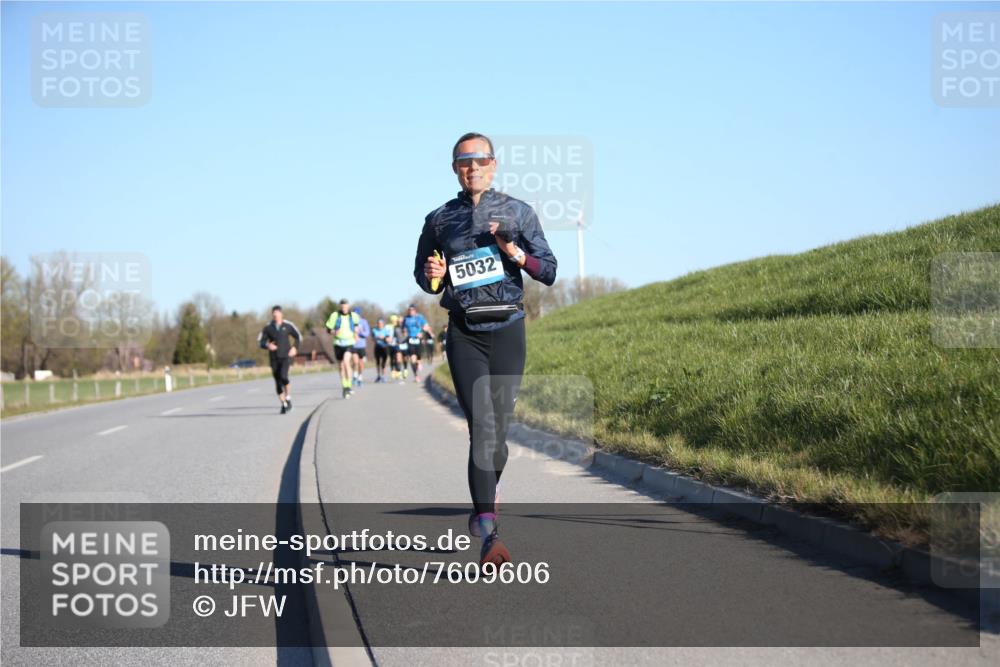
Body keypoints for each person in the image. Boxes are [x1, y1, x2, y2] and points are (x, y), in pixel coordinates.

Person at [414, 132, 557, 568]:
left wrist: (515, 254)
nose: (472, 167)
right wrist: (434, 273)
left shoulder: (518, 211)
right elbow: (426, 279)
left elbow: (548, 271)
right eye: (463, 161)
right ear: (455, 168)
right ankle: (489, 530)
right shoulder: (439, 219)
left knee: (498, 440)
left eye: (480, 160)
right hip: (464, 333)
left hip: (509, 331)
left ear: (494, 165)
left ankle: (485, 503)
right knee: (483, 429)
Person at [257, 305, 301, 414]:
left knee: (284, 377)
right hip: (274, 358)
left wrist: (295, 347)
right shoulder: (268, 328)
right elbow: (260, 342)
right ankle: (284, 404)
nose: (275, 316)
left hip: (285, 357)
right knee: (277, 383)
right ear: (272, 315)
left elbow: (298, 337)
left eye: (277, 314)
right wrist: (267, 345)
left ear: (281, 314)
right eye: (274, 315)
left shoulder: (288, 325)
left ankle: (288, 397)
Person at [325, 298, 360, 399]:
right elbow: (328, 329)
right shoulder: (334, 315)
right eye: (342, 306)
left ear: (348, 306)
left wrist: (356, 334)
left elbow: (356, 326)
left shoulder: (354, 316)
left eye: (346, 306)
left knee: (346, 362)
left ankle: (349, 384)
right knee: (340, 366)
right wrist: (333, 332)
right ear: (340, 306)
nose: (344, 308)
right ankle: (344, 386)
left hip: (349, 342)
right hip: (338, 343)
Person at [402, 304, 432, 383]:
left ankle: (419, 362)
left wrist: (422, 332)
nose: (410, 312)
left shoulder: (419, 317)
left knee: (418, 356)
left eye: (412, 310)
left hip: (419, 339)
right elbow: (403, 328)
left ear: (415, 310)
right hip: (410, 339)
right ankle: (416, 376)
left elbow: (426, 326)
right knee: (412, 359)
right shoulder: (406, 318)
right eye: (409, 310)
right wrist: (404, 332)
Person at [351, 306, 371, 387]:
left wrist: (360, 332)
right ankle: (355, 375)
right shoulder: (350, 322)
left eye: (357, 314)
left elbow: (367, 333)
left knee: (361, 363)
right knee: (355, 362)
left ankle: (360, 377)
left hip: (361, 345)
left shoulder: (364, 322)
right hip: (353, 344)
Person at [372, 317, 393, 383]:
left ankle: (383, 376)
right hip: (377, 347)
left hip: (384, 347)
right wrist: (377, 337)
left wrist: (383, 338)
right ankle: (378, 376)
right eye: (378, 323)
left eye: (381, 323)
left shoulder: (386, 330)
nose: (380, 324)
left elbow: (389, 340)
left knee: (383, 362)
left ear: (383, 324)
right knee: (378, 362)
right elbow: (372, 339)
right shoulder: (374, 330)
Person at [392, 314, 410, 383]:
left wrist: (407, 335)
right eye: (399, 320)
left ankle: (405, 369)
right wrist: (394, 341)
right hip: (398, 345)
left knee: (405, 358)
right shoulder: (395, 328)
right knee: (398, 358)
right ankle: (399, 372)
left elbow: (409, 335)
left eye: (401, 320)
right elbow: (394, 336)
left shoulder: (406, 327)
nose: (400, 322)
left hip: (405, 344)